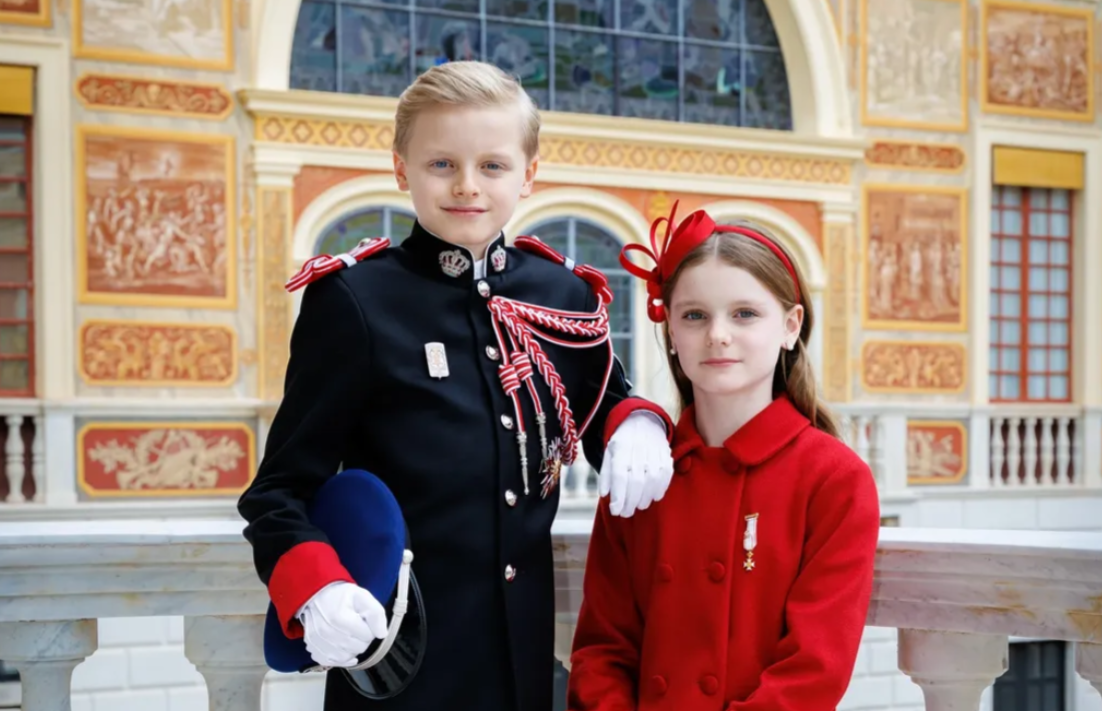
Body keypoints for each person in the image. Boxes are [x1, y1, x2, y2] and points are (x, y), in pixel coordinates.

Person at [237, 60, 676, 711]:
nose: (467, 185)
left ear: (528, 174)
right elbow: (278, 490)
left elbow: (603, 400)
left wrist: (638, 421)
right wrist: (313, 585)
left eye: (493, 166)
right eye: (441, 164)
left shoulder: (563, 294)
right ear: (401, 169)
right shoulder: (356, 300)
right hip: (400, 670)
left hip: (521, 672)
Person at [567, 204, 881, 710]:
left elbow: (813, 669)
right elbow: (603, 649)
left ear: (790, 326)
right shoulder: (641, 471)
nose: (717, 334)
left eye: (745, 314)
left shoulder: (834, 479)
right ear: (670, 329)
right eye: (694, 315)